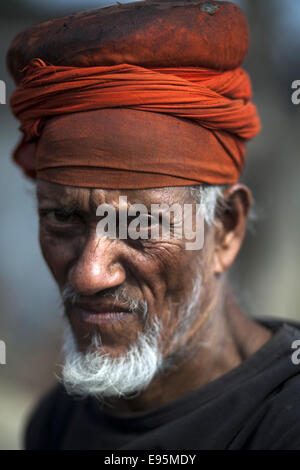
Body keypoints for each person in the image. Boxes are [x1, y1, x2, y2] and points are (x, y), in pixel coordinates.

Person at [7, 0, 300, 450]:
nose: (88, 274)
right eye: (62, 217)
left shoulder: (284, 424)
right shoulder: (58, 420)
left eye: (141, 225)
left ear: (225, 229)